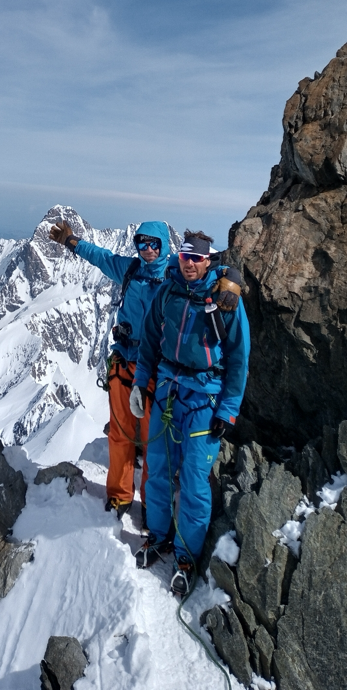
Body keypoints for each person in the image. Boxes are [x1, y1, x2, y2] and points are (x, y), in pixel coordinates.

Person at [130, 230, 250, 595]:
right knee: (158, 470)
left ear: (208, 260)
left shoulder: (224, 299)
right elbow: (150, 340)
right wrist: (140, 383)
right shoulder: (168, 291)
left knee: (195, 482)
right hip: (168, 391)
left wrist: (228, 410)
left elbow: (239, 357)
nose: (189, 263)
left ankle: (186, 557)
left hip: (204, 399)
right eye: (185, 257)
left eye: (197, 258)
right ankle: (159, 535)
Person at [49, 217, 172, 525]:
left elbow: (205, 270)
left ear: (164, 245)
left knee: (153, 440)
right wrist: (71, 242)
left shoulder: (174, 276)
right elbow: (102, 257)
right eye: (142, 243)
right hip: (124, 361)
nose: (147, 249)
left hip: (156, 368)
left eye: (154, 244)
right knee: (120, 433)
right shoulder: (130, 270)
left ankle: (153, 505)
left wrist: (229, 279)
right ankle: (119, 495)